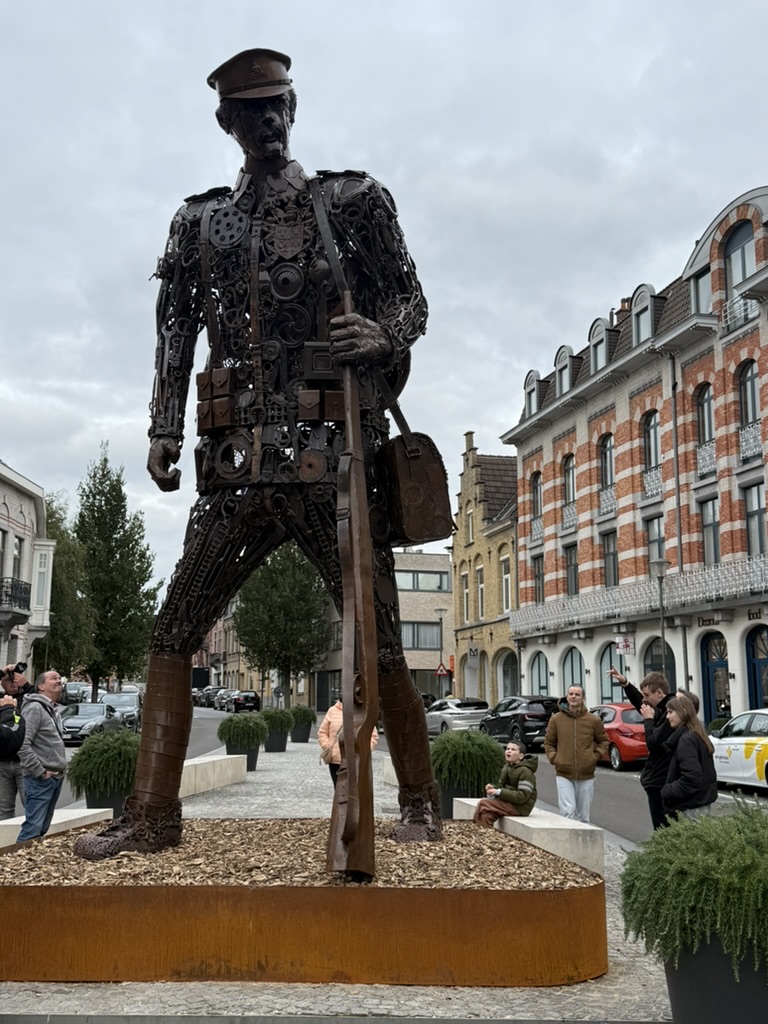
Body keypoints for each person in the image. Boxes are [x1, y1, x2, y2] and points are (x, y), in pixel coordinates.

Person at [75, 48, 441, 861]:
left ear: (294, 107)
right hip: (237, 468)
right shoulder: (199, 224)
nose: (268, 122)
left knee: (377, 637)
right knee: (173, 632)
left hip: (333, 458)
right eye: (251, 112)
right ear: (226, 123)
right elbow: (175, 331)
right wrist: (164, 428)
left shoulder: (352, 202)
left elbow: (412, 298)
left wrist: (384, 333)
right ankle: (150, 815)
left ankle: (420, 798)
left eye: (277, 106)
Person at [608, 667, 675, 829]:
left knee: (663, 827)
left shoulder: (670, 713)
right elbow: (639, 702)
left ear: (659, 693)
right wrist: (625, 684)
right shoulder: (660, 707)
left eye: (647, 695)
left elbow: (654, 743)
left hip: (662, 780)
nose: (644, 700)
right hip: (657, 779)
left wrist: (649, 721)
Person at [544, 685, 608, 823]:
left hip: (586, 774)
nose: (573, 696)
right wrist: (555, 758)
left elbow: (604, 741)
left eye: (577, 694)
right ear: (567, 697)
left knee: (583, 816)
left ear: (583, 698)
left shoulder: (593, 721)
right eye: (571, 694)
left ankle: (583, 843)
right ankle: (568, 844)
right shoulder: (556, 719)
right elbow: (549, 743)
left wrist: (594, 757)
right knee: (568, 812)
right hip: (563, 772)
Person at [16, 670, 66, 842]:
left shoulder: (52, 709)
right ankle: (15, 866)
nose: (58, 681)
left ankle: (29, 866)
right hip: (40, 779)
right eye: (53, 678)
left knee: (41, 828)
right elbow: (21, 744)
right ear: (41, 686)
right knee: (32, 829)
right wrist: (40, 772)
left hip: (54, 778)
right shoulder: (35, 708)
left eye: (59, 678)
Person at [661, 694, 717, 821]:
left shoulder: (687, 740)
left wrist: (667, 790)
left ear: (683, 712)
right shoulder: (697, 734)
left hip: (690, 807)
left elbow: (692, 778)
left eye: (670, 712)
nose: (667, 716)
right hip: (699, 802)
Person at [472, 740, 537, 828]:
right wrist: (493, 788)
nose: (509, 751)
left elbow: (522, 797)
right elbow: (501, 786)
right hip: (508, 802)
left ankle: (474, 831)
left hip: (520, 807)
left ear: (521, 756)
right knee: (486, 816)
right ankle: (485, 837)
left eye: (513, 749)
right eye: (507, 749)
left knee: (483, 803)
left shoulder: (526, 772)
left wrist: (498, 792)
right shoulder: (506, 767)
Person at [318, 699, 378, 788]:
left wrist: (364, 750)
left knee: (355, 790)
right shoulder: (332, 711)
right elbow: (322, 732)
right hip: (336, 761)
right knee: (339, 790)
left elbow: (373, 736)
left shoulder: (362, 711)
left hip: (356, 760)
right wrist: (328, 746)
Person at [0, 664, 33, 820]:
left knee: (31, 805)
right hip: (2, 763)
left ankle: (32, 841)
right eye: (8, 679)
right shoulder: (1, 700)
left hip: (24, 762)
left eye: (15, 679)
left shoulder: (28, 698)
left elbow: (42, 698)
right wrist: (2, 672)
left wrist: (26, 685)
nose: (12, 682)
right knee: (4, 809)